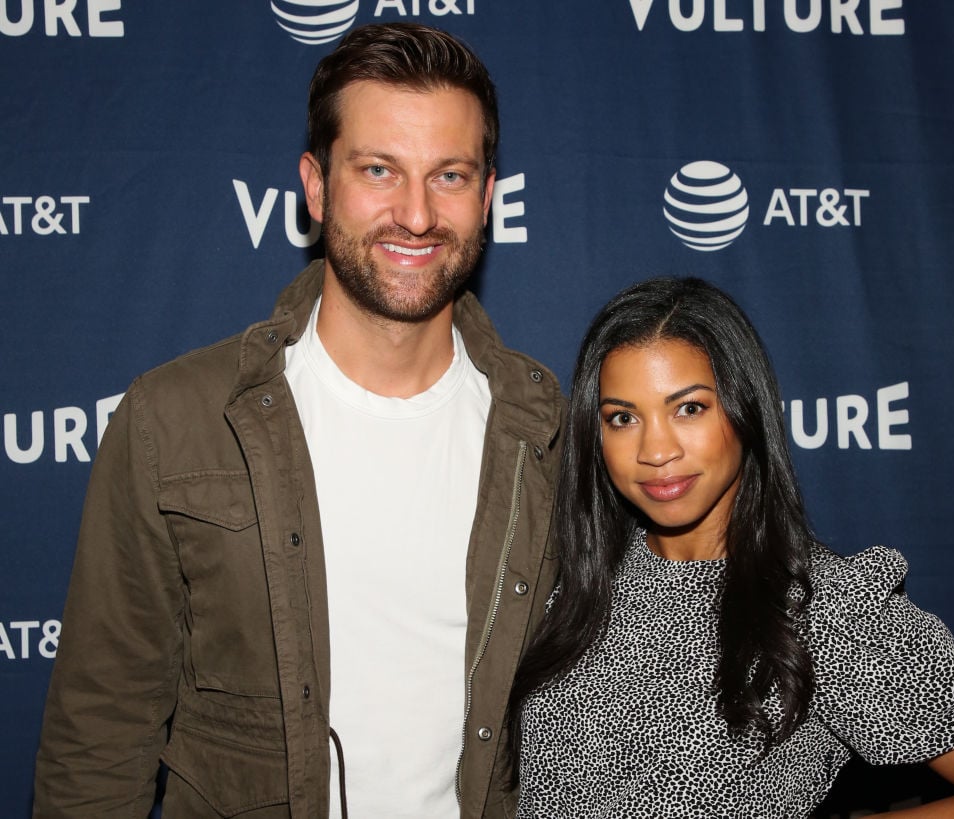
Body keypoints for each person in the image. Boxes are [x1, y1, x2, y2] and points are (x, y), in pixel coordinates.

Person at [33, 22, 563, 819]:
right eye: (379, 170)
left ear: (487, 196)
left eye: (448, 176)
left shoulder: (551, 432)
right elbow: (99, 737)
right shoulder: (174, 421)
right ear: (316, 188)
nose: (415, 215)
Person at [507, 277, 954, 817]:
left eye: (689, 408)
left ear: (744, 409)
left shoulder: (823, 608)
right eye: (623, 418)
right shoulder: (572, 585)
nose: (655, 449)